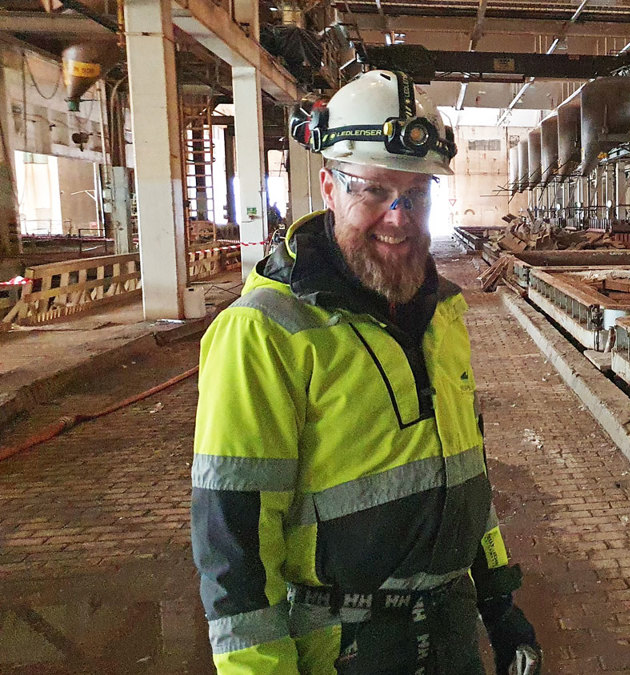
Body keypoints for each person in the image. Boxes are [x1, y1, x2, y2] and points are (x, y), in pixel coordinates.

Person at [192, 69, 539, 675]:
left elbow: (465, 472)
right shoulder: (265, 333)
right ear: (329, 187)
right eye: (374, 191)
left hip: (450, 630)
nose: (398, 218)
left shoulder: (442, 313)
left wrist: (497, 599)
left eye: (418, 194)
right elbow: (235, 551)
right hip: (342, 646)